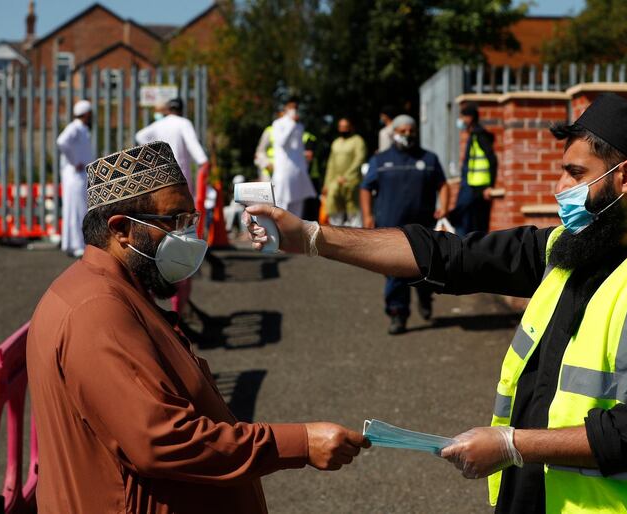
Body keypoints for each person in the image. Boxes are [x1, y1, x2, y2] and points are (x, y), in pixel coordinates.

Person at [243, 94, 627, 513]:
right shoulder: (562, 250)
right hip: (531, 498)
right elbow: (449, 255)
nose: (560, 187)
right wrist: (311, 237)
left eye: (575, 173)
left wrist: (511, 444)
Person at [26, 141, 369, 514]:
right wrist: (299, 443)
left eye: (190, 221)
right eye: (175, 222)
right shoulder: (97, 310)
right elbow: (160, 439)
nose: (188, 237)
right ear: (121, 229)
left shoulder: (114, 292)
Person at [360, 114, 450, 335]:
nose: (408, 134)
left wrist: (444, 207)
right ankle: (397, 314)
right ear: (394, 133)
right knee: (395, 272)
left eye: (411, 131)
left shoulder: (429, 159)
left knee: (425, 269)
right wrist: (367, 215)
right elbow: (365, 188)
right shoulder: (380, 161)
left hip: (423, 227)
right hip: (391, 228)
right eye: (403, 131)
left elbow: (443, 184)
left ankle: (425, 296)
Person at [135, 97, 210, 316]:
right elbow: (200, 156)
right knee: (180, 244)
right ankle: (180, 304)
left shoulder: (158, 126)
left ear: (167, 110)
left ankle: (151, 303)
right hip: (178, 193)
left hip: (156, 191)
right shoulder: (183, 123)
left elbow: (140, 137)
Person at [448, 103, 498, 235]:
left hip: (478, 189)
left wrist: (490, 186)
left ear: (469, 118)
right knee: (464, 221)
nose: (460, 121)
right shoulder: (474, 135)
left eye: (462, 117)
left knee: (474, 226)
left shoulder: (480, 136)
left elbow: (492, 160)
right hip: (471, 186)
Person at [57, 99, 93, 258]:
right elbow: (61, 142)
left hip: (78, 175)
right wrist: (74, 161)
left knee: (76, 209)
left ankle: (71, 244)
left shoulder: (82, 129)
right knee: (77, 209)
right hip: (75, 175)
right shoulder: (75, 128)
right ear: (86, 114)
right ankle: (77, 245)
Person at [270, 97, 317, 217]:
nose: (294, 110)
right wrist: (291, 124)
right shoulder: (278, 124)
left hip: (298, 171)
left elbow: (299, 148)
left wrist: (304, 166)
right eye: (291, 107)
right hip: (284, 171)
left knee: (298, 206)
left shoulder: (300, 126)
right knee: (282, 204)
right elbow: (281, 142)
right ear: (285, 108)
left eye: (295, 108)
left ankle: (295, 234)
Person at [323, 118, 367, 227]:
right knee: (334, 210)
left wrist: (346, 177)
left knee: (353, 211)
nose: (343, 129)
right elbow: (331, 164)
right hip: (335, 182)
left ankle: (357, 239)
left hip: (351, 181)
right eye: (341, 127)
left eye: (345, 126)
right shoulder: (336, 142)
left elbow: (359, 159)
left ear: (351, 127)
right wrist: (326, 184)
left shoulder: (358, 140)